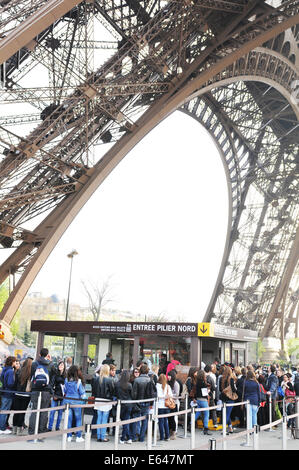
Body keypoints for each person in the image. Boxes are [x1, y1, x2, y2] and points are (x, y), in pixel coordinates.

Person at [28, 348, 53, 440]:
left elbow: (31, 376)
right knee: (44, 411)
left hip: (35, 389)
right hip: (46, 391)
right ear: (47, 354)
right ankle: (41, 432)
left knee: (34, 410)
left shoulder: (34, 364)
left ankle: (32, 431)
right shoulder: (50, 364)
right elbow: (53, 377)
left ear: (39, 354)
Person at [63, 365, 86, 442]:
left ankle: (69, 436)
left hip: (67, 402)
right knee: (78, 419)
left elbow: (65, 391)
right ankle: (78, 436)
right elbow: (82, 393)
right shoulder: (78, 381)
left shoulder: (66, 380)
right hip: (76, 402)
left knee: (68, 419)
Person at [131, 364, 152, 442]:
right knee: (145, 421)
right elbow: (152, 393)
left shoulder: (137, 380)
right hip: (146, 403)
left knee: (136, 420)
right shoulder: (150, 380)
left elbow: (134, 394)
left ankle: (135, 436)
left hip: (137, 402)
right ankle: (142, 437)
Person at [94, 363, 115, 442]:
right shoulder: (109, 380)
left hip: (98, 400)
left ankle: (99, 436)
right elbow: (112, 391)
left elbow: (94, 391)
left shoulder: (96, 379)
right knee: (104, 419)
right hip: (106, 401)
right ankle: (102, 436)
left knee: (99, 418)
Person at [11, 357, 32, 435]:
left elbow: (15, 384)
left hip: (17, 394)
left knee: (16, 412)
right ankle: (19, 430)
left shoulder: (19, 371)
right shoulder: (31, 373)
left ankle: (14, 429)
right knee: (22, 412)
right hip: (26, 395)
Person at [115, 370, 134, 444]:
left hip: (120, 404)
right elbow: (131, 395)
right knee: (126, 422)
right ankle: (126, 438)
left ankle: (125, 438)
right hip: (128, 404)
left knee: (124, 422)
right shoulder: (129, 385)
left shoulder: (117, 384)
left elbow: (115, 394)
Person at [0, 356, 16, 434]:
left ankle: (2, 427)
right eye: (15, 361)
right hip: (8, 393)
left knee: (3, 410)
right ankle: (2, 428)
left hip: (4, 392)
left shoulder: (4, 369)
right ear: (12, 362)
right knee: (5, 411)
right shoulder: (10, 371)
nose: (15, 363)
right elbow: (10, 383)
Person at [48, 360, 66, 432]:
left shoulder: (66, 376)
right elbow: (51, 385)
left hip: (63, 396)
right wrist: (53, 394)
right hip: (56, 394)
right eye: (59, 365)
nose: (60, 366)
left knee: (60, 412)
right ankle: (50, 427)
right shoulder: (55, 375)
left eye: (62, 365)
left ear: (64, 367)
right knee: (52, 411)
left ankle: (57, 427)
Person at [219, 365, 237, 434]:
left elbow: (220, 389)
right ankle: (224, 429)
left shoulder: (221, 379)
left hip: (223, 398)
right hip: (230, 398)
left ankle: (230, 427)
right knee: (227, 414)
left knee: (226, 413)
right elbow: (234, 390)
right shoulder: (231, 379)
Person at [193, 369, 212, 435]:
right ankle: (206, 429)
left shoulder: (197, 382)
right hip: (203, 400)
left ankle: (190, 424)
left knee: (198, 413)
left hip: (198, 399)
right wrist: (208, 390)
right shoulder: (203, 383)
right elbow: (205, 393)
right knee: (206, 414)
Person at [157, 374, 172, 441]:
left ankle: (162, 437)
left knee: (161, 422)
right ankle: (167, 436)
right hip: (167, 406)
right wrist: (166, 396)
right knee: (166, 421)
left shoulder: (157, 386)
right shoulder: (168, 386)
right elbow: (171, 395)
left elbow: (158, 395)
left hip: (160, 406)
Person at [167, 369, 180, 439]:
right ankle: (170, 432)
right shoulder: (167, 383)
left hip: (174, 403)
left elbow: (177, 394)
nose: (168, 377)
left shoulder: (176, 384)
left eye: (169, 376)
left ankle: (174, 432)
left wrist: (170, 396)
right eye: (168, 376)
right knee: (169, 418)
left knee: (172, 418)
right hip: (168, 403)